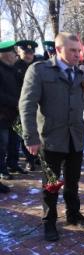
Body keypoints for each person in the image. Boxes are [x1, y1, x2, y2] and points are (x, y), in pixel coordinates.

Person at [19, 32, 84, 242]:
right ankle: (49, 221)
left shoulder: (81, 75)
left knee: (73, 182)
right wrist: (31, 137)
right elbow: (26, 105)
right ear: (58, 49)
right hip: (50, 138)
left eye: (79, 50)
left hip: (75, 138)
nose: (77, 54)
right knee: (51, 184)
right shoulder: (39, 71)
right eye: (72, 50)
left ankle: (73, 214)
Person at [14, 40, 39, 172]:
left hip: (36, 106)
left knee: (34, 133)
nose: (28, 55)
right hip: (17, 106)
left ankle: (33, 159)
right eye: (25, 52)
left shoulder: (38, 67)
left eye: (31, 53)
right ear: (19, 52)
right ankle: (24, 161)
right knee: (21, 134)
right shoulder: (14, 66)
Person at [0, 40, 20, 193]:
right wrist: (16, 102)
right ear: (5, 55)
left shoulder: (13, 69)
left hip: (12, 114)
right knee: (1, 145)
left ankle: (9, 165)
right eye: (13, 53)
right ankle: (2, 171)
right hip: (2, 115)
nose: (16, 55)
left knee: (11, 142)